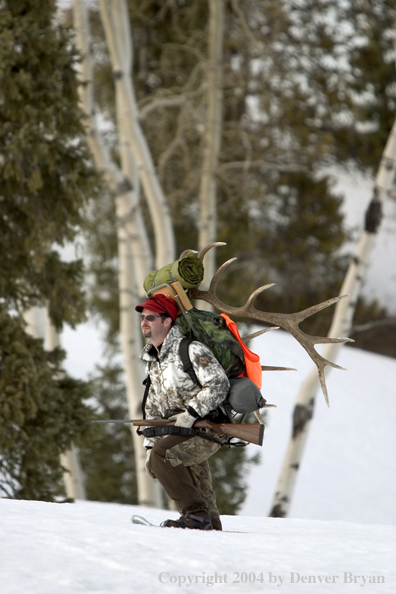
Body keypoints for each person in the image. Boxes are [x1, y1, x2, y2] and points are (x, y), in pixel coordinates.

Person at [135, 293, 230, 531]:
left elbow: (219, 384)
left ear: (167, 321)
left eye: (151, 317)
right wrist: (149, 447)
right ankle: (209, 525)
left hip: (207, 429)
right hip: (181, 433)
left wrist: (190, 413)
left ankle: (195, 517)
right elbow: (153, 408)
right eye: (143, 317)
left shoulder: (191, 349)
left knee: (164, 455)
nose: (144, 322)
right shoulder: (154, 360)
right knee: (201, 494)